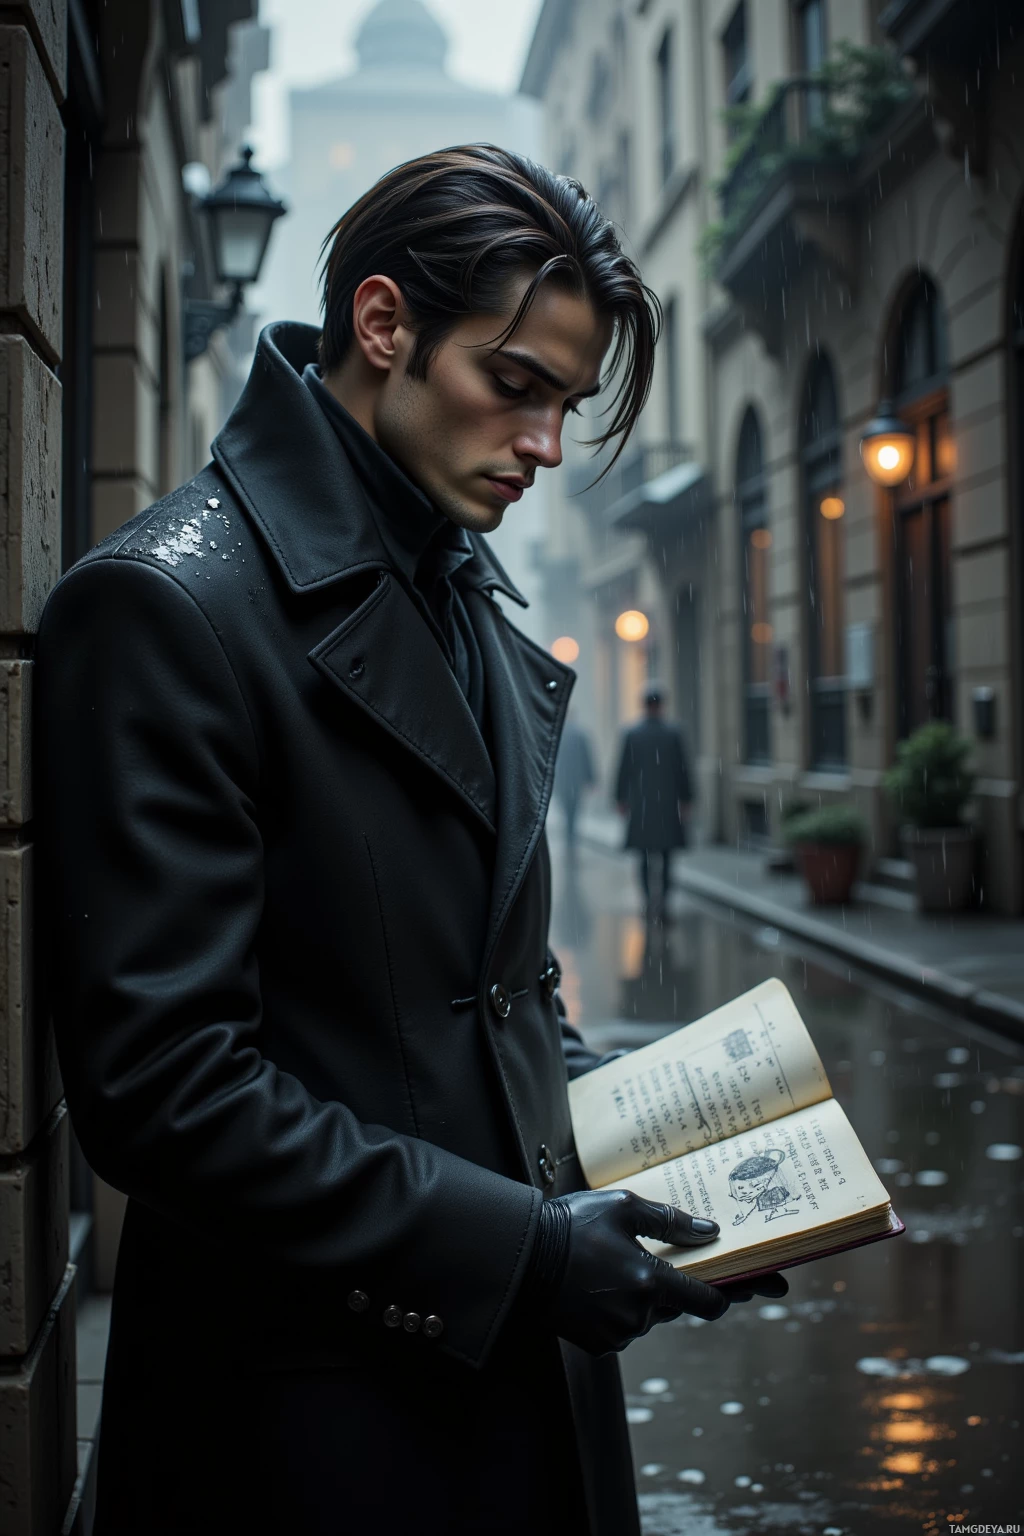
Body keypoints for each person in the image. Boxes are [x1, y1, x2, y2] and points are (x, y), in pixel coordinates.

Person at [33, 146, 784, 1536]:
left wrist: (662, 1163)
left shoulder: (462, 589)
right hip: (305, 1431)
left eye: (565, 403)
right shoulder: (166, 605)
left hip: (508, 1396)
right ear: (383, 326)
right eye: (517, 386)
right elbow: (165, 1086)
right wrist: (527, 1254)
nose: (548, 446)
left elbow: (488, 992)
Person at [615, 684, 693, 916]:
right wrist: (687, 799)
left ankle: (649, 900)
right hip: (667, 804)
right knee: (667, 856)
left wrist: (621, 798)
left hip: (642, 805)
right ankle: (664, 902)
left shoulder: (633, 734)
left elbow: (623, 770)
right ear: (661, 705)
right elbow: (683, 770)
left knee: (645, 856)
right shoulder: (673, 734)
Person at [554, 713, 596, 849]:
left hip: (564, 781)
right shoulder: (580, 735)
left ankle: (569, 834)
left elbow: (556, 761)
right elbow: (587, 758)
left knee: (567, 809)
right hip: (576, 781)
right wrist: (591, 779)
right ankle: (571, 834)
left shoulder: (560, 735)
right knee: (574, 809)